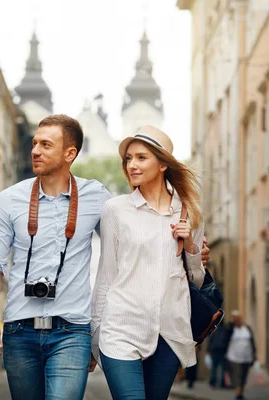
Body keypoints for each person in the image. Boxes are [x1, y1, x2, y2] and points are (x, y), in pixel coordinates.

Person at [0, 114, 213, 400]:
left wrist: (191, 250)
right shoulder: (10, 199)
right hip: (20, 327)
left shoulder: (98, 198)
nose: (35, 151)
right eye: (34, 143)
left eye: (45, 145)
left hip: (72, 330)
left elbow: (146, 250)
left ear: (70, 153)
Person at [91, 125, 205, 400]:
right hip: (121, 328)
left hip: (169, 333)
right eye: (129, 159)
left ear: (163, 163)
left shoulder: (189, 211)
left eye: (141, 158)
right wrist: (95, 335)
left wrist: (190, 246)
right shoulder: (116, 210)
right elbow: (106, 277)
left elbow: (197, 280)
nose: (132, 165)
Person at [222, 310, 256, 400]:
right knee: (237, 375)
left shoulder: (247, 328)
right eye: (234, 318)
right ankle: (238, 394)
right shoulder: (230, 328)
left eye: (238, 318)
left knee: (244, 376)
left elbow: (252, 342)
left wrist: (254, 354)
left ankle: (240, 393)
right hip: (234, 357)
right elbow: (225, 339)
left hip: (246, 357)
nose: (237, 320)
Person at [207, 321, 229, 389]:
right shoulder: (225, 330)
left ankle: (213, 381)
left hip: (214, 350)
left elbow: (211, 340)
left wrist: (208, 350)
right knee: (222, 367)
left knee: (214, 367)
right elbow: (227, 341)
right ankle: (222, 382)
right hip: (222, 350)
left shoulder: (214, 329)